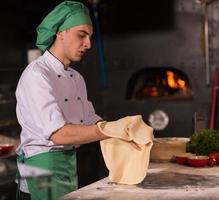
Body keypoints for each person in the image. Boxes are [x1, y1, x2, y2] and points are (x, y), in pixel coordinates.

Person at [15, 1, 140, 200]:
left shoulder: (76, 77)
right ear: (60, 32)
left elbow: (89, 120)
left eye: (90, 37)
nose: (88, 44)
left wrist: (124, 129)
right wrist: (107, 130)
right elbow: (58, 134)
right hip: (40, 167)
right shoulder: (37, 75)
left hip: (67, 162)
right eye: (81, 35)